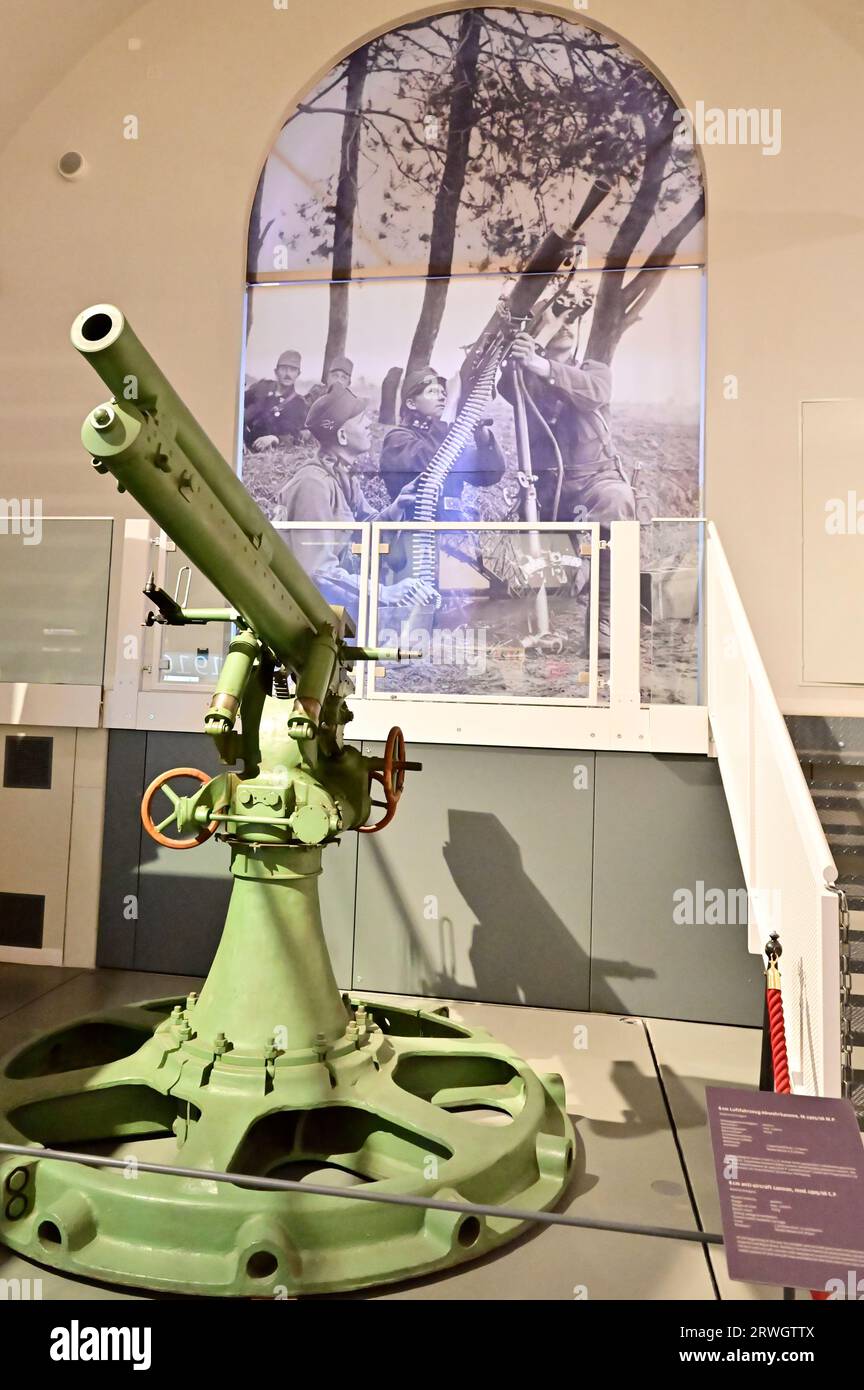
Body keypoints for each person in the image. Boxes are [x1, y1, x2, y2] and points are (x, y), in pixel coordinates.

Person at [498, 320, 635, 653]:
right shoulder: (520, 378)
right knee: (537, 554)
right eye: (554, 322)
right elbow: (502, 386)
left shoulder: (595, 371)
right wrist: (521, 358)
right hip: (548, 491)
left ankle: (604, 621)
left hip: (595, 481)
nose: (565, 327)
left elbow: (594, 393)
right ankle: (540, 619)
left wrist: (541, 365)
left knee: (617, 500)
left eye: (569, 321)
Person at [272, 385, 436, 608]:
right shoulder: (313, 484)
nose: (369, 423)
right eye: (361, 420)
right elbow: (318, 572)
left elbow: (365, 531)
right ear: (341, 435)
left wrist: (396, 507)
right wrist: (383, 594)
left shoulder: (342, 476)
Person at [379, 367, 506, 522]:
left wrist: (481, 435)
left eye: (444, 393)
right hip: (415, 535)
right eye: (432, 392)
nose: (442, 398)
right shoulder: (397, 439)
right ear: (411, 403)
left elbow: (489, 475)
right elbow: (429, 465)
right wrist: (451, 404)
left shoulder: (446, 439)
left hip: (454, 536)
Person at [244, 349, 308, 449]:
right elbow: (238, 405)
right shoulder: (262, 388)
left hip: (264, 451)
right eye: (283, 369)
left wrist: (274, 439)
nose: (288, 374)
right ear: (276, 372)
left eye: (292, 370)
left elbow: (295, 434)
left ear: (298, 374)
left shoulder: (299, 404)